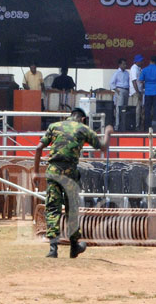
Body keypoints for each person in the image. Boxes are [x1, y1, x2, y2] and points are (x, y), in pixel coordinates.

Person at [33, 108, 113, 258]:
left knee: (52, 209)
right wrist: (108, 132)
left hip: (53, 172)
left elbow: (38, 148)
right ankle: (74, 246)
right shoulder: (83, 129)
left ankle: (53, 249)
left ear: (69, 116)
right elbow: (103, 147)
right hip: (70, 174)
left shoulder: (54, 126)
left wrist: (35, 172)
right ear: (82, 119)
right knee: (72, 210)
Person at [139, 55, 156, 130]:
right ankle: (155, 127)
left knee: (147, 110)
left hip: (148, 92)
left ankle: (147, 127)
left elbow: (140, 80)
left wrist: (147, 83)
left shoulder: (144, 70)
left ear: (150, 61)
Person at [109, 58, 130, 130]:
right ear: (120, 64)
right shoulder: (116, 73)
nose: (125, 65)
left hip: (126, 90)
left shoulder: (127, 73)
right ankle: (117, 125)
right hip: (120, 90)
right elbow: (111, 83)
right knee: (119, 108)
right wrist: (116, 90)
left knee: (125, 108)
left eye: (125, 64)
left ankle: (123, 125)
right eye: (123, 64)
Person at [129, 54, 145, 131]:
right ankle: (136, 126)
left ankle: (137, 125)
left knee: (139, 109)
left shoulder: (138, 68)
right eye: (141, 61)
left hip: (139, 91)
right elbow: (134, 81)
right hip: (135, 92)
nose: (142, 62)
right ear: (137, 61)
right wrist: (138, 92)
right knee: (137, 110)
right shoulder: (134, 69)